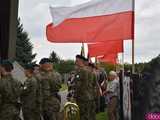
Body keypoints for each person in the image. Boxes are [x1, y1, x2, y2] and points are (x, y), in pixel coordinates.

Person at [74, 55, 97, 120]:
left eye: (77, 60)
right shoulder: (91, 71)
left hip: (82, 98)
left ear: (81, 61)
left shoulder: (80, 71)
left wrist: (74, 96)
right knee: (90, 116)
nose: (75, 62)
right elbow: (94, 85)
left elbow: (78, 86)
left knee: (83, 116)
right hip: (90, 97)